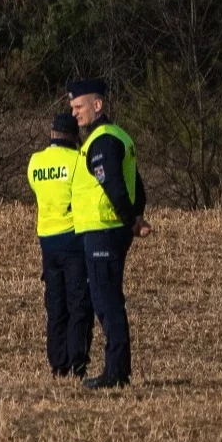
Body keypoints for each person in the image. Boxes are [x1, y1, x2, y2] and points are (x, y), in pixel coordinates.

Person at [65, 79, 153, 389]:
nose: (74, 113)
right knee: (107, 298)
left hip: (104, 230)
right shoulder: (118, 136)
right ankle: (117, 369)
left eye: (79, 106)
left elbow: (115, 185)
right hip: (106, 230)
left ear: (97, 105)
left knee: (106, 301)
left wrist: (131, 221)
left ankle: (116, 372)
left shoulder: (101, 141)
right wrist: (137, 214)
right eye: (72, 107)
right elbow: (136, 183)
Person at [28, 113, 93, 377]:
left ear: (52, 133)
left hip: (47, 241)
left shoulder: (35, 162)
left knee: (55, 306)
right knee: (79, 304)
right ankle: (77, 361)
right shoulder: (79, 161)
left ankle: (58, 364)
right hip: (74, 240)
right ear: (74, 135)